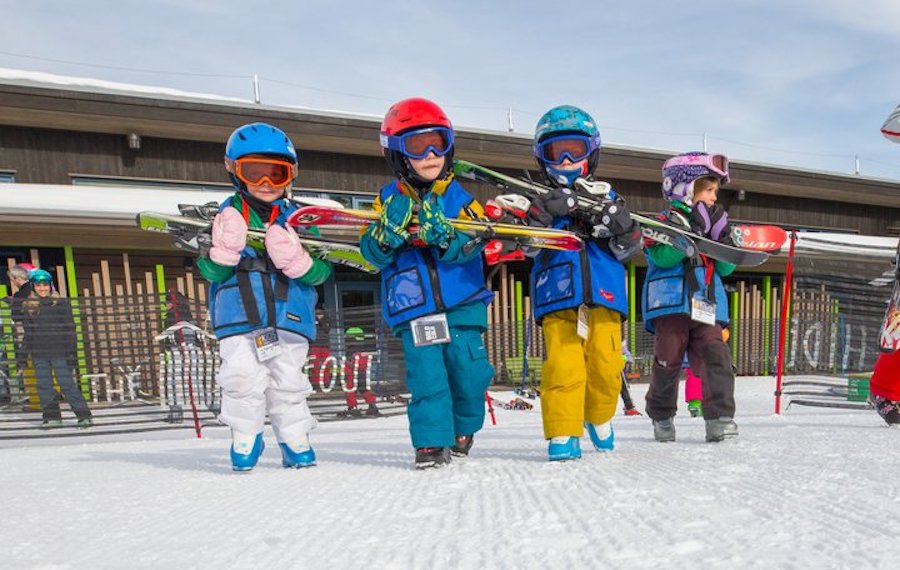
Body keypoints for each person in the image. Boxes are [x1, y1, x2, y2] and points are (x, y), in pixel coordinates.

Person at [359, 97, 495, 469]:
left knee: (470, 374)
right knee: (428, 377)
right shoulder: (385, 201)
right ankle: (432, 442)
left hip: (463, 305)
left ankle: (463, 428)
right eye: (418, 146)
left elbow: (475, 244)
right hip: (415, 307)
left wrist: (447, 240)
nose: (431, 154)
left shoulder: (462, 199)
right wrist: (386, 236)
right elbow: (370, 254)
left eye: (439, 142)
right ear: (397, 153)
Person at [197, 122, 333, 471]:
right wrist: (221, 255)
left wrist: (300, 263)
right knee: (241, 376)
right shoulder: (223, 217)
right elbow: (208, 272)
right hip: (238, 316)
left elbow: (323, 271)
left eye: (276, 173)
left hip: (290, 314)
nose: (266, 183)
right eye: (254, 172)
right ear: (235, 171)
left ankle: (293, 438)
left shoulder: (302, 219)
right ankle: (246, 435)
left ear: (291, 174)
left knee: (288, 378)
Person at [525, 105, 641, 461]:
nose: (564, 161)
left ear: (591, 152)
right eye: (554, 153)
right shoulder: (540, 202)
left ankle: (599, 416)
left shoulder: (609, 198)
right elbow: (527, 246)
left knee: (606, 366)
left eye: (573, 151)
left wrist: (622, 224)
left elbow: (630, 247)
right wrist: (545, 214)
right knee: (565, 364)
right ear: (542, 159)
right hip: (557, 295)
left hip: (606, 295)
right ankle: (563, 429)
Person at [641, 151, 739, 443]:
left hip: (706, 302)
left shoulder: (713, 223)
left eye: (715, 192)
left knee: (716, 355)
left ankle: (720, 418)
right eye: (707, 190)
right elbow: (663, 257)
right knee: (667, 360)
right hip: (670, 305)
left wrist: (720, 240)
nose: (712, 197)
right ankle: (661, 416)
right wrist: (689, 233)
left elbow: (727, 266)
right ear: (684, 188)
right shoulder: (662, 221)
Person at [20, 269, 93, 428]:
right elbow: (28, 333)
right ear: (33, 287)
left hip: (60, 352)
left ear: (50, 286)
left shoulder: (61, 304)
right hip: (39, 353)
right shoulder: (29, 307)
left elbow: (70, 329)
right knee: (44, 386)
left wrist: (71, 353)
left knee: (66, 384)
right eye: (38, 286)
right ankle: (52, 417)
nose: (42, 289)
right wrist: (23, 354)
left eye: (45, 285)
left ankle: (84, 415)